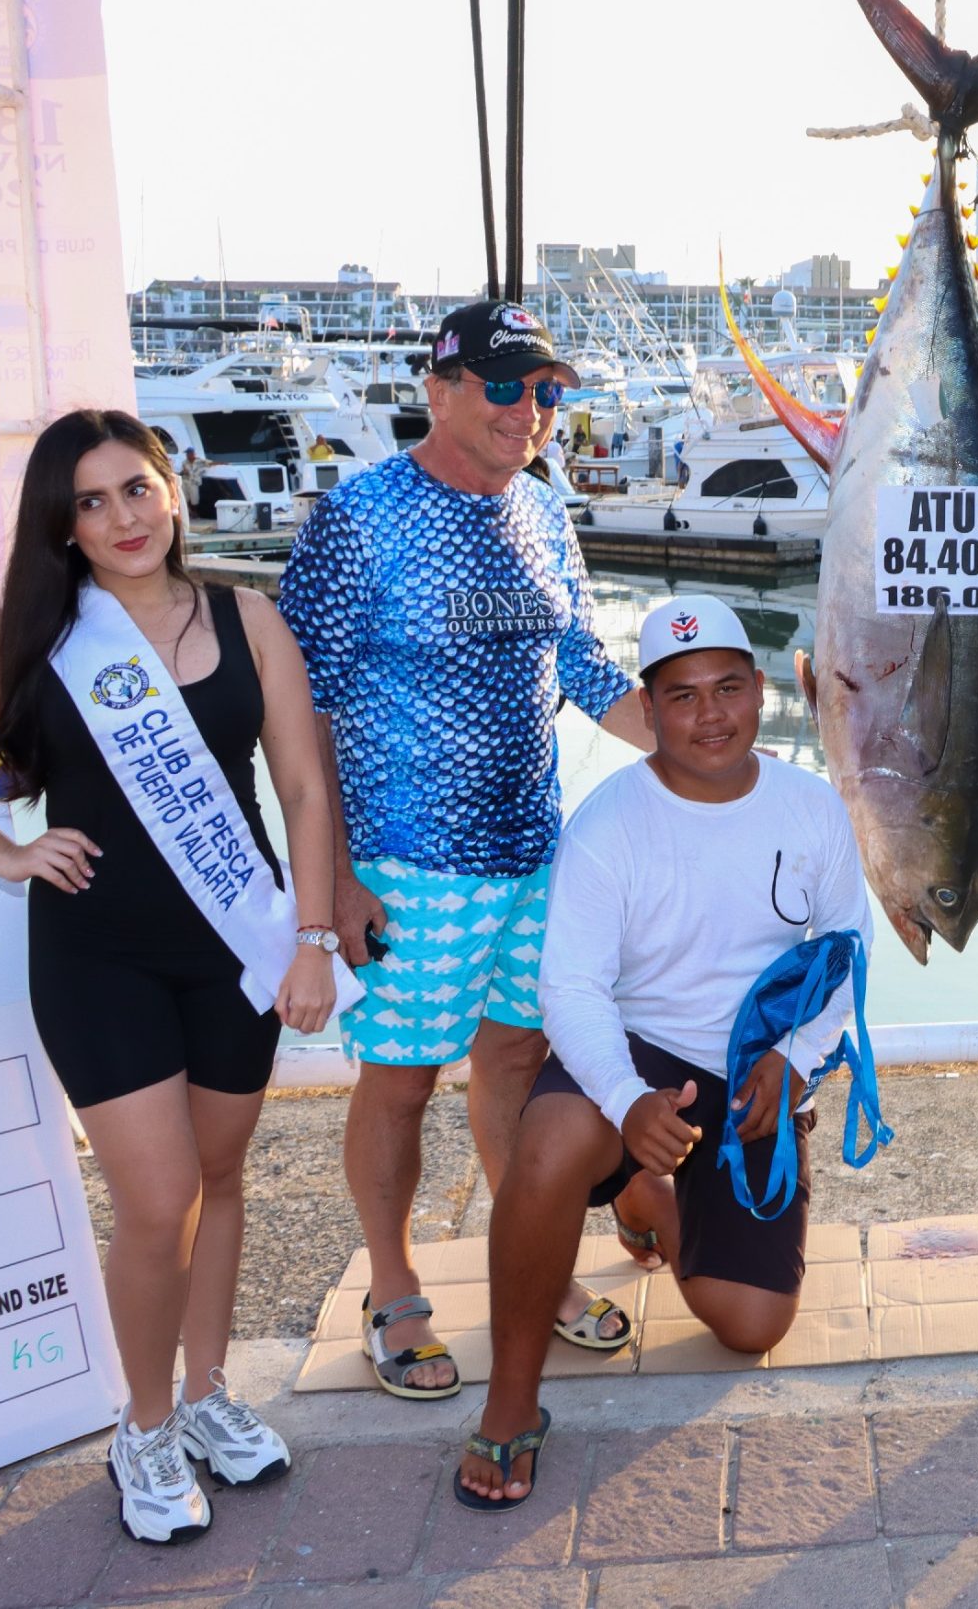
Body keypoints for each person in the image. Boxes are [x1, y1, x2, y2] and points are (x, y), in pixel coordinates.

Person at [0, 412, 344, 1543]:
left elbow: (305, 789)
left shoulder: (247, 617)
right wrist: (6, 850)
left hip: (234, 946)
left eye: (137, 489)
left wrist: (312, 938)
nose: (121, 519)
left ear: (174, 490)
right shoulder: (38, 632)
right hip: (97, 953)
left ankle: (208, 1395)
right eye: (91, 503)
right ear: (61, 527)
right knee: (159, 1203)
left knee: (221, 1176)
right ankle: (145, 1428)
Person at [279, 299, 659, 1400]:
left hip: (534, 858)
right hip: (405, 862)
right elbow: (298, 713)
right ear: (437, 388)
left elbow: (588, 672)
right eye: (503, 386)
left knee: (516, 1067)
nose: (527, 412)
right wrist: (335, 879)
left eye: (544, 391)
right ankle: (392, 1288)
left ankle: (526, 1266)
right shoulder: (361, 517)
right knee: (398, 1085)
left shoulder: (545, 510)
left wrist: (708, 752)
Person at [455, 595, 868, 1509]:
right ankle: (512, 1398)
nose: (709, 714)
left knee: (749, 1326)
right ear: (648, 710)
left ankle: (652, 1199)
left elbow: (846, 951)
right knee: (552, 1144)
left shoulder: (813, 808)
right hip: (639, 1052)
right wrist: (623, 1099)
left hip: (758, 1062)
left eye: (727, 687)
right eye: (680, 696)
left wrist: (797, 1059)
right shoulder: (607, 824)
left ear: (760, 691)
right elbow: (569, 991)